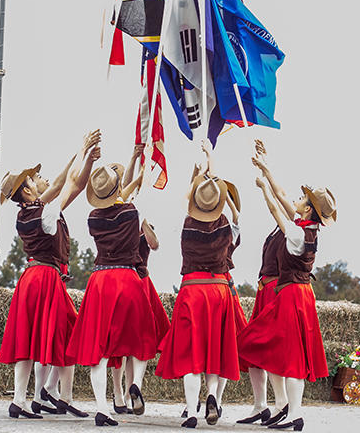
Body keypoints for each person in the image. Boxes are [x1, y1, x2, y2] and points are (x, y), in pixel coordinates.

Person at [0, 130, 101, 420]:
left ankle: (21, 400)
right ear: (28, 191)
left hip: (29, 277)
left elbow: (59, 183)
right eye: (32, 180)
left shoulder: (24, 214)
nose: (38, 179)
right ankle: (56, 394)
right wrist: (82, 151)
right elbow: (69, 185)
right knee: (69, 332)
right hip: (46, 278)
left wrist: (82, 155)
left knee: (26, 339)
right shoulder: (44, 212)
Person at [237, 142, 337, 431]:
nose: (297, 200)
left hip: (292, 294)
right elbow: (282, 199)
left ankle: (294, 414)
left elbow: (276, 205)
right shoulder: (308, 231)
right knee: (288, 355)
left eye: (302, 200)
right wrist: (266, 171)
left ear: (308, 210)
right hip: (301, 294)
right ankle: (289, 410)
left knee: (292, 358)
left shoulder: (295, 232)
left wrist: (265, 179)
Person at [65, 155, 160, 427]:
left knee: (100, 349)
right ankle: (136, 385)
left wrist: (133, 162)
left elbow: (121, 192)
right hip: (127, 278)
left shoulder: (92, 217)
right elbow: (127, 193)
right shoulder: (132, 213)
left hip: (100, 280)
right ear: (118, 190)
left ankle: (102, 409)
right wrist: (139, 167)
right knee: (141, 340)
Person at [155, 142, 243, 429]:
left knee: (191, 354)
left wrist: (201, 164)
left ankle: (192, 412)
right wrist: (211, 160)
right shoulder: (229, 226)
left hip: (192, 291)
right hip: (219, 290)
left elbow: (195, 190)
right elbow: (223, 200)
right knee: (215, 350)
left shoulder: (187, 223)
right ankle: (213, 397)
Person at [110, 145, 170, 415]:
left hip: (139, 282)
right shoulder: (112, 216)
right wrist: (135, 161)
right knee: (122, 342)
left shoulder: (135, 214)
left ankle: (131, 389)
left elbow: (155, 244)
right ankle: (120, 393)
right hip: (128, 281)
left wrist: (143, 221)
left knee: (136, 339)